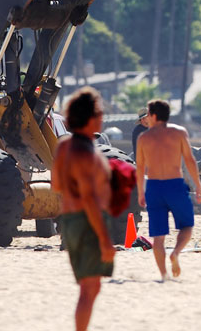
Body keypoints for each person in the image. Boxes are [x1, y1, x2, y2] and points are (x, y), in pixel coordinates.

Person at [52, 88, 115, 331]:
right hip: (87, 222)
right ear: (88, 117)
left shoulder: (65, 146)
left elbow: (56, 184)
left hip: (70, 221)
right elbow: (89, 198)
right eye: (99, 113)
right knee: (89, 289)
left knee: (90, 287)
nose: (102, 117)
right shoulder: (86, 152)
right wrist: (104, 238)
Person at [136, 99, 201, 280]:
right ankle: (175, 253)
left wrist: (141, 192)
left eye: (148, 115)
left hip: (154, 187)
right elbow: (190, 160)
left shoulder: (144, 138)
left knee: (158, 237)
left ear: (155, 115)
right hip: (174, 185)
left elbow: (140, 168)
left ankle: (164, 275)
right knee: (187, 226)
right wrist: (198, 186)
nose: (147, 118)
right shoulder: (179, 133)